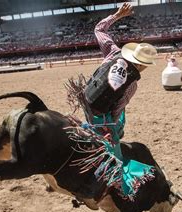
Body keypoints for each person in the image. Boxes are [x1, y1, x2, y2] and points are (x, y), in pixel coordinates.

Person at [66, 3, 158, 199]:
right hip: (100, 114)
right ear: (144, 65)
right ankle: (104, 188)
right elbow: (116, 110)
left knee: (116, 121)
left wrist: (117, 15)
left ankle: (87, 129)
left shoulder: (113, 52)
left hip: (85, 98)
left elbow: (98, 29)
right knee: (114, 150)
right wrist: (112, 133)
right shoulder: (132, 85)